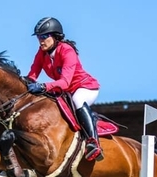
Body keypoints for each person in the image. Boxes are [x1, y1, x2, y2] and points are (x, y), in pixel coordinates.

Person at [26, 17, 104, 162]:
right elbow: (33, 75)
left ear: (55, 37)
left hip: (85, 87)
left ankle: (93, 143)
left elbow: (65, 82)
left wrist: (43, 86)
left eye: (44, 36)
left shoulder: (67, 51)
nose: (41, 40)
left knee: (77, 100)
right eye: (38, 37)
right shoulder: (42, 53)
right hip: (64, 91)